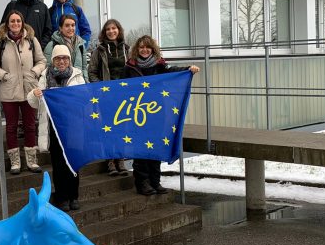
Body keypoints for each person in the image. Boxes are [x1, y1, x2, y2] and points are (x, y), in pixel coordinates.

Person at [122, 35, 200, 196]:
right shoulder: (129, 67)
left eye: (147, 47)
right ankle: (142, 182)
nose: (144, 50)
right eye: (141, 47)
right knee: (141, 148)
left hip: (157, 112)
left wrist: (187, 69)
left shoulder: (160, 65)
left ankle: (155, 181)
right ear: (137, 49)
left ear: (152, 49)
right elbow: (122, 89)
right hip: (138, 113)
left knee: (155, 146)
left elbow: (173, 72)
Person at [27, 45, 86, 211]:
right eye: (58, 58)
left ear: (69, 60)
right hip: (53, 127)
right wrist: (35, 94)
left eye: (65, 58)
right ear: (53, 60)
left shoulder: (77, 75)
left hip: (73, 127)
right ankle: (62, 197)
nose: (62, 61)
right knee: (58, 164)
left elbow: (85, 99)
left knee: (73, 163)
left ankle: (74, 196)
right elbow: (33, 102)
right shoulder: (45, 75)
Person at [0, 10, 46, 175]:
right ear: (7, 24)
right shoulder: (0, 42)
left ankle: (32, 160)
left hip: (30, 89)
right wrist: (4, 76)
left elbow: (42, 60)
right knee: (11, 127)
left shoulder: (31, 40)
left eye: (18, 21)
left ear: (22, 23)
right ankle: (15, 162)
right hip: (9, 89)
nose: (15, 24)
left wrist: (34, 72)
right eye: (12, 21)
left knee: (30, 125)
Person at [88, 19, 131, 177]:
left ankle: (120, 160)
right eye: (108, 29)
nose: (111, 31)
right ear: (104, 32)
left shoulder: (127, 49)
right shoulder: (99, 50)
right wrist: (101, 88)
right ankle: (110, 162)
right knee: (108, 128)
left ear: (119, 30)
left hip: (124, 96)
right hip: (107, 95)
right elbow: (91, 72)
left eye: (114, 28)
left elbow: (134, 70)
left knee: (122, 127)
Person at [44, 15, 88, 82]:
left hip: (78, 83)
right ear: (60, 28)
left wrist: (86, 82)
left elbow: (84, 68)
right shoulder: (52, 45)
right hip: (60, 86)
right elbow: (48, 68)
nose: (71, 28)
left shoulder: (80, 44)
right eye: (67, 25)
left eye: (73, 25)